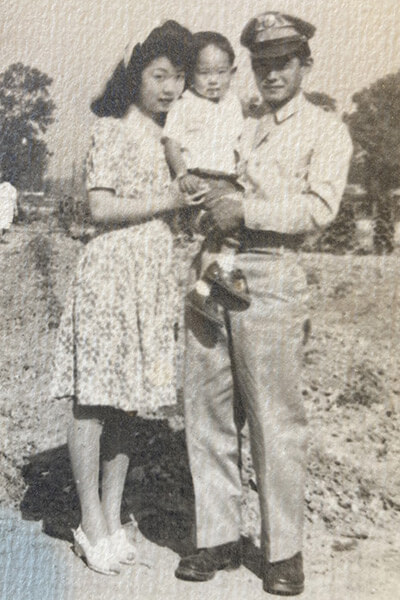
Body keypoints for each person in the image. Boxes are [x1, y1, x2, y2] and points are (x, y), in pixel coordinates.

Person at [175, 11, 353, 596]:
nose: (271, 72)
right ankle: (218, 537)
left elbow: (319, 209)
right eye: (262, 62)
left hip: (272, 276)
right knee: (207, 411)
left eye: (283, 61)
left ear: (305, 63)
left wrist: (245, 211)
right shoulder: (238, 122)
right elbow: (207, 184)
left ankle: (284, 552)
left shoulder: (326, 129)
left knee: (275, 419)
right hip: (213, 268)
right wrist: (205, 207)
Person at [51, 21, 194, 575]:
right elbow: (101, 208)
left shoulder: (172, 141)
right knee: (95, 398)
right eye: (160, 75)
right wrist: (168, 199)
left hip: (150, 278)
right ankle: (89, 520)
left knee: (129, 401)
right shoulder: (111, 130)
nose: (170, 88)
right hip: (112, 274)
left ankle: (113, 515)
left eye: (178, 78)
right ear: (137, 76)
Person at [163, 31, 248, 327]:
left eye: (221, 72)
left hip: (228, 180)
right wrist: (182, 173)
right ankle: (210, 286)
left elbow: (239, 144)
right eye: (204, 73)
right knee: (230, 225)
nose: (213, 80)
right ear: (190, 75)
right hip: (200, 179)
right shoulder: (184, 104)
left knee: (234, 231)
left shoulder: (233, 104)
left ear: (232, 73)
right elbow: (171, 142)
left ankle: (203, 290)